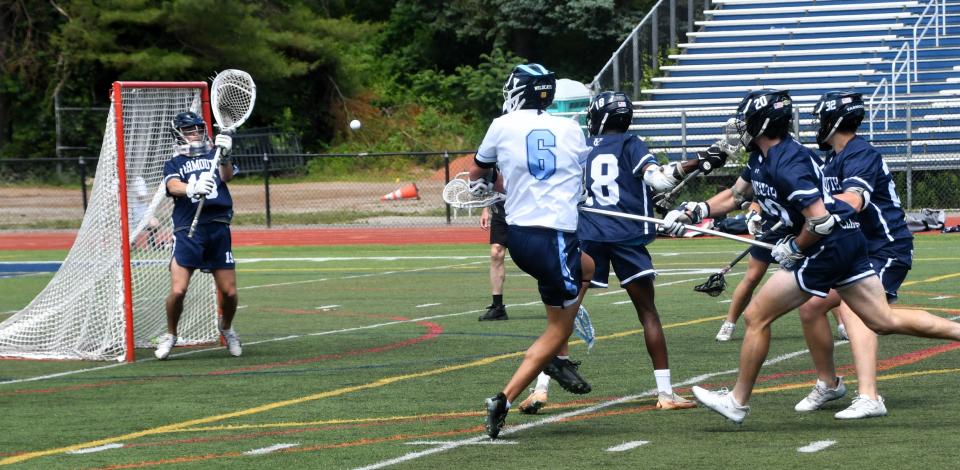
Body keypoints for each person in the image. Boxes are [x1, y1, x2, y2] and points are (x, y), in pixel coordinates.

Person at [661, 89, 960, 424]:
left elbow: (820, 220)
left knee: (757, 315)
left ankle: (737, 400)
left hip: (827, 246)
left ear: (762, 123)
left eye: (746, 121)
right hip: (846, 241)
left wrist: (795, 247)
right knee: (881, 319)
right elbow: (735, 195)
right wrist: (695, 211)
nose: (742, 128)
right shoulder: (762, 158)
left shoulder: (789, 164)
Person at [516, 91, 728, 413]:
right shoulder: (631, 144)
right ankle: (665, 393)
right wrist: (698, 160)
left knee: (564, 317)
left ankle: (540, 388)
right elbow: (658, 180)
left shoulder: (582, 148)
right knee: (647, 313)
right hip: (627, 236)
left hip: (589, 234)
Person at [474, 63, 595, 439]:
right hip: (554, 236)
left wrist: (491, 190)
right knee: (557, 329)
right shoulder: (571, 128)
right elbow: (579, 175)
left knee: (589, 267)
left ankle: (557, 348)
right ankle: (512, 392)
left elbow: (479, 176)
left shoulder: (501, 124)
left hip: (521, 236)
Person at [793, 91, 919, 419]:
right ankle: (829, 383)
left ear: (834, 121)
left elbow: (853, 200)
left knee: (854, 309)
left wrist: (817, 214)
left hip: (886, 247)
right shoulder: (832, 159)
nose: (817, 126)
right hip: (857, 249)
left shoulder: (861, 153)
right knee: (811, 306)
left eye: (821, 119)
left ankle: (869, 396)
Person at [154, 111, 242, 360]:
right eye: (189, 129)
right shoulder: (174, 162)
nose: (195, 133)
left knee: (230, 293)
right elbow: (173, 186)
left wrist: (225, 156)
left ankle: (226, 328)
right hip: (188, 230)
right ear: (178, 133)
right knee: (179, 290)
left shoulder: (215, 154)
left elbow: (227, 176)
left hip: (217, 227)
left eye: (198, 128)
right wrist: (191, 187)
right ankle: (171, 334)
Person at [479, 200, 508, 321]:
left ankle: (560, 299)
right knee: (496, 253)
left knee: (536, 255)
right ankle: (498, 307)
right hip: (500, 210)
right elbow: (490, 185)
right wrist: (485, 210)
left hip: (523, 211)